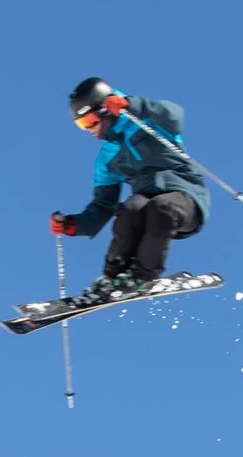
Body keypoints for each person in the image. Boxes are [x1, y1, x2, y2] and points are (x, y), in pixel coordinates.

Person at [49, 78, 210, 304]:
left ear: (106, 109)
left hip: (186, 199)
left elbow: (174, 114)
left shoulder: (148, 122)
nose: (90, 130)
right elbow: (103, 206)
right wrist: (73, 225)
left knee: (161, 207)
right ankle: (112, 277)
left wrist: (132, 105)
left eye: (90, 121)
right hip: (146, 204)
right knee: (131, 208)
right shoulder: (107, 158)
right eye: (82, 125)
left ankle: (143, 276)